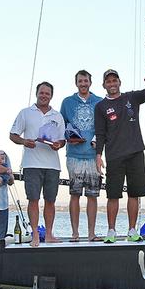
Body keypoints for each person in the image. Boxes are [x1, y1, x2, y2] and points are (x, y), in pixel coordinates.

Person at [94, 69, 145, 243]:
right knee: (113, 195)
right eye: (108, 81)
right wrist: (98, 155)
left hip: (135, 152)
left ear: (120, 82)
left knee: (134, 193)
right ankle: (111, 231)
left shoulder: (131, 98)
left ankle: (132, 230)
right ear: (104, 85)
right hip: (114, 156)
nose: (112, 84)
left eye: (114, 80)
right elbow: (100, 133)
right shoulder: (100, 106)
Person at [10, 81, 65, 247]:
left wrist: (59, 145)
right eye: (42, 92)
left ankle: (48, 234)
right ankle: (35, 234)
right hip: (31, 163)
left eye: (47, 93)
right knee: (33, 200)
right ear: (36, 93)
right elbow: (13, 135)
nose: (44, 95)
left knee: (50, 200)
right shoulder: (25, 113)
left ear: (51, 96)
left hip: (52, 165)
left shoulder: (57, 116)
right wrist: (24, 141)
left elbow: (62, 139)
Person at [60, 70, 103, 242]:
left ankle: (91, 233)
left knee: (92, 195)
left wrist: (98, 143)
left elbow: (104, 127)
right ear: (76, 83)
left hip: (93, 155)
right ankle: (75, 233)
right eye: (80, 81)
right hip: (74, 155)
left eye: (86, 81)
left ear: (90, 82)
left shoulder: (99, 102)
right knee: (75, 194)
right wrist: (69, 137)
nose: (83, 84)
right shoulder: (67, 102)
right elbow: (61, 125)